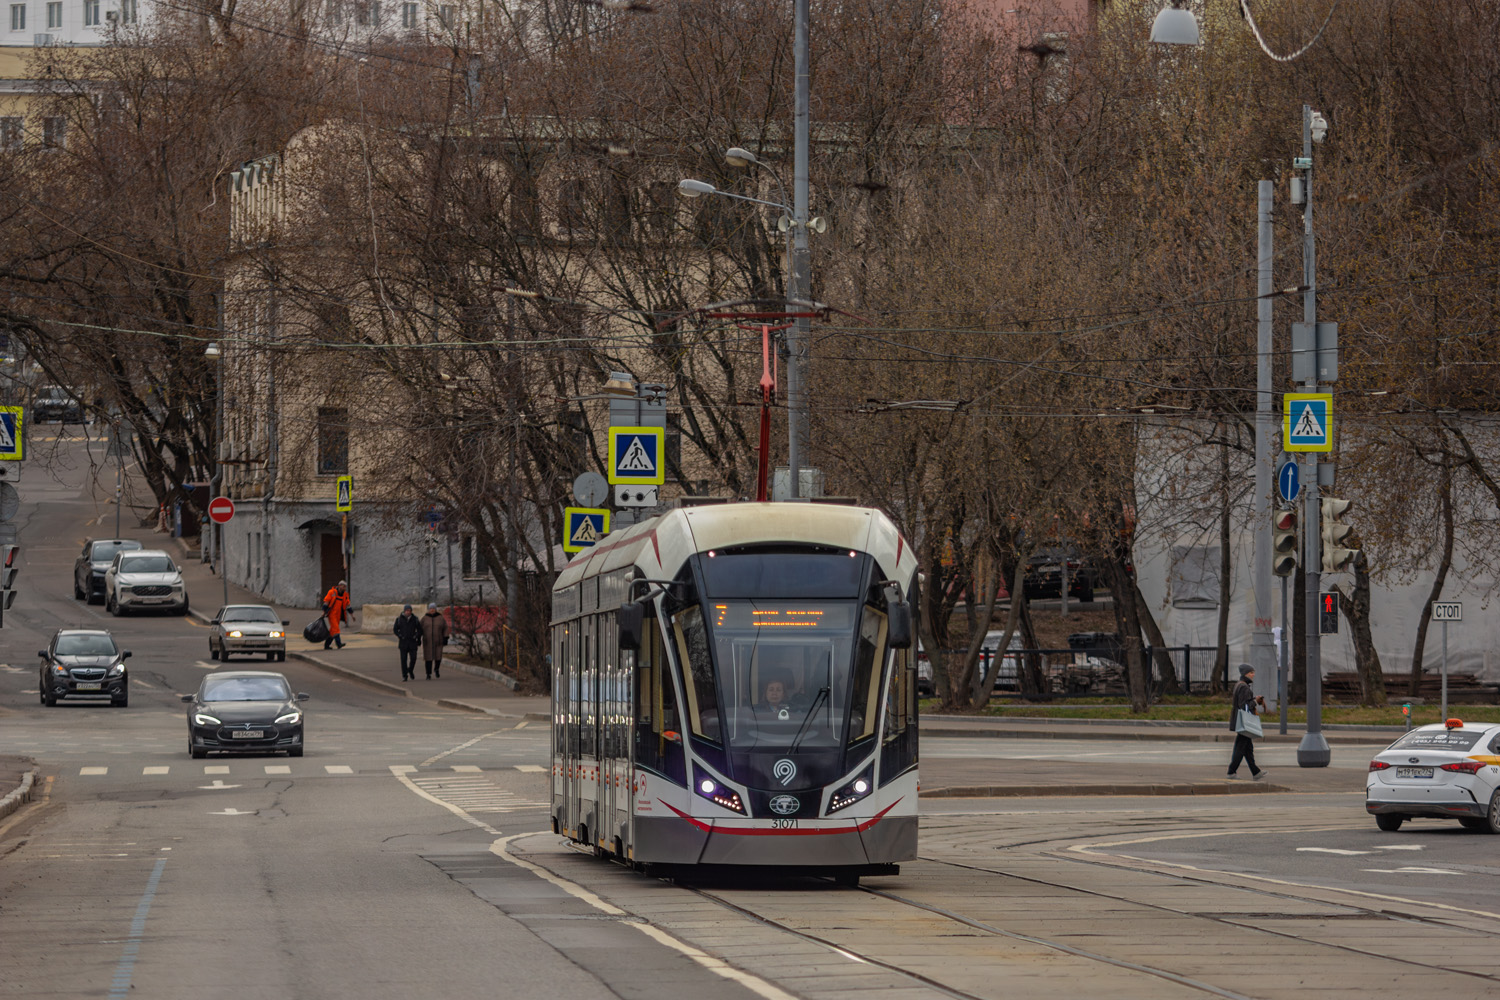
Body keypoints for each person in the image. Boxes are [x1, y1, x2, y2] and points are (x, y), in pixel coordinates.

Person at [1228, 663, 1267, 780]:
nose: (1253, 675)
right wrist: (1255, 701)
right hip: (1244, 722)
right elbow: (1244, 705)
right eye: (1251, 672)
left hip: (1240, 721)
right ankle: (1231, 772)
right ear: (1245, 674)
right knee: (1240, 748)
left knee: (1248, 748)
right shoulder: (1244, 687)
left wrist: (1254, 700)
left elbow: (1243, 702)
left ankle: (1256, 772)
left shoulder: (1239, 685)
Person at [392, 604, 422, 681]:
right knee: (403, 660)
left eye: (410, 610)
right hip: (403, 642)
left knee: (413, 658)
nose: (408, 612)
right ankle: (405, 675)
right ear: (404, 611)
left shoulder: (415, 619)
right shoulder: (399, 619)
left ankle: (410, 670)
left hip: (412, 642)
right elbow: (395, 629)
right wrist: (400, 635)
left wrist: (416, 636)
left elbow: (420, 630)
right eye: (407, 610)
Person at [420, 602, 449, 679]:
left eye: (433, 608)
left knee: (438, 656)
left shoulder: (440, 618)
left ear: (435, 609)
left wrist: (445, 637)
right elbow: (420, 628)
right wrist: (418, 637)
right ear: (428, 609)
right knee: (428, 658)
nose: (432, 610)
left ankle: (436, 669)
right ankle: (428, 673)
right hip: (427, 641)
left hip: (438, 640)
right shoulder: (425, 618)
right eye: (430, 608)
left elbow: (445, 628)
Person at [322, 580, 351, 650]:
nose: (345, 588)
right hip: (331, 614)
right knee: (336, 629)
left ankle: (326, 645)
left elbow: (347, 604)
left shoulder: (345, 594)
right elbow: (326, 602)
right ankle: (339, 644)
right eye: (343, 586)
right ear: (339, 586)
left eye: (345, 587)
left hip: (338, 615)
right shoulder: (332, 592)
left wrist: (352, 614)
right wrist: (323, 611)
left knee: (333, 631)